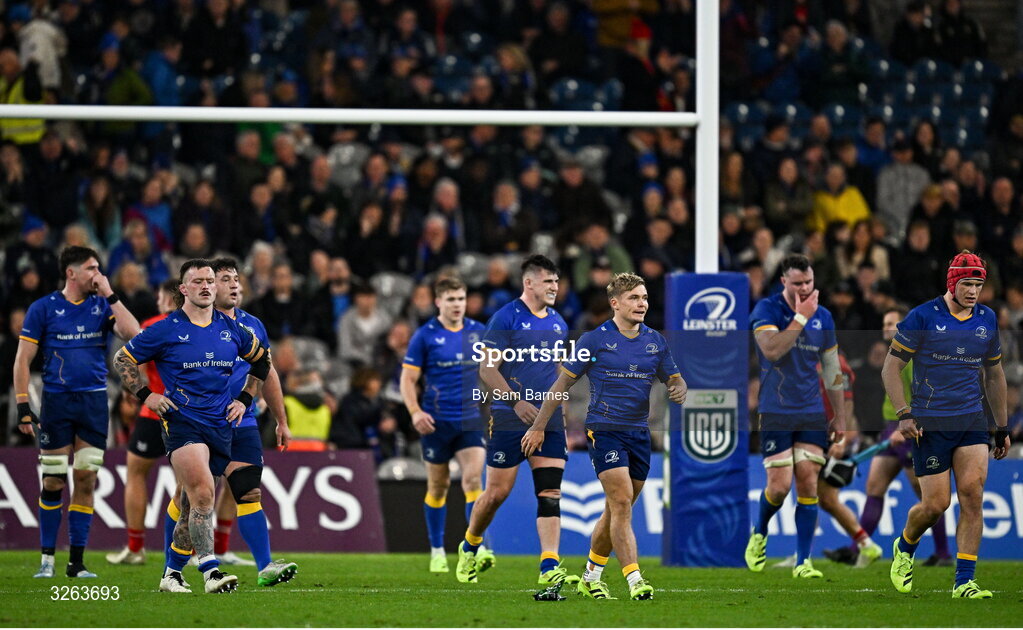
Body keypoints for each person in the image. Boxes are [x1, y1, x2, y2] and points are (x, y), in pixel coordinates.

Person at [522, 272, 687, 601]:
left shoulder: (655, 341)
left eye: (644, 298)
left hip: (639, 434)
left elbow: (675, 378)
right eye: (634, 298)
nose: (642, 303)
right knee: (622, 501)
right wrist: (539, 426)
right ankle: (635, 579)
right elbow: (560, 386)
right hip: (604, 431)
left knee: (616, 511)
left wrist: (677, 387)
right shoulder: (593, 341)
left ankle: (590, 575)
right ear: (615, 304)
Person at [112, 258, 273, 594]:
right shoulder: (166, 328)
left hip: (220, 424)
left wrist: (244, 399)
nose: (205, 286)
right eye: (197, 281)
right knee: (203, 493)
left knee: (189, 505)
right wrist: (147, 395)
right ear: (183, 289)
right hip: (183, 423)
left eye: (209, 281)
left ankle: (171, 574)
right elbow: (122, 358)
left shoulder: (234, 330)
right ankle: (211, 572)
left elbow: (262, 360)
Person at [885, 251, 1010, 598]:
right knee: (935, 505)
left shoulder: (986, 318)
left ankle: (964, 581)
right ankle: (905, 545)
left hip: (972, 419)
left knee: (973, 494)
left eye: (978, 285)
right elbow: (890, 368)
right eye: (967, 284)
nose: (973, 291)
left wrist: (1001, 427)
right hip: (930, 422)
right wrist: (903, 414)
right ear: (952, 283)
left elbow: (994, 373)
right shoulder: (922, 316)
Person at [15, 246, 142, 579]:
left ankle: (76, 563)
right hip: (57, 404)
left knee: (86, 479)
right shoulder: (43, 308)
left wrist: (111, 293)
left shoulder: (103, 305)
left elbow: (134, 334)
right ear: (71, 273)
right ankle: (46, 559)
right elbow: (22, 360)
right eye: (91, 269)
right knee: (54, 480)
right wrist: (23, 406)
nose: (97, 274)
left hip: (93, 404)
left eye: (99, 268)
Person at [455, 255, 573, 588]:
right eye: (547, 281)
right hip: (509, 419)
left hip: (547, 420)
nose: (554, 286)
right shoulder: (505, 318)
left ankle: (549, 566)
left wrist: (559, 411)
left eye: (556, 280)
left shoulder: (558, 323)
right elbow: (487, 369)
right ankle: (470, 544)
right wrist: (514, 401)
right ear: (529, 283)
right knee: (496, 493)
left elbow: (558, 373)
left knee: (549, 492)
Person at [824, 306, 953, 567]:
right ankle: (857, 549)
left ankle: (943, 553)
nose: (885, 328)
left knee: (927, 497)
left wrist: (905, 426)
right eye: (884, 323)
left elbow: (922, 395)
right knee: (874, 487)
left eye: (891, 323)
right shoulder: (894, 355)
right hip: (890, 427)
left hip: (907, 430)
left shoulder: (911, 357)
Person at [745, 254, 847, 579]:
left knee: (807, 480)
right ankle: (759, 530)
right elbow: (772, 350)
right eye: (798, 283)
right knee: (779, 486)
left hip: (812, 411)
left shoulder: (825, 317)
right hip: (775, 409)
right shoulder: (767, 309)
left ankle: (803, 562)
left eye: (809, 282)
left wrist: (840, 416)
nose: (805, 288)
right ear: (784, 283)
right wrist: (801, 317)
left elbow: (831, 368)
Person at [400, 277, 489, 573]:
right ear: (438, 302)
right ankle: (437, 550)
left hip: (469, 420)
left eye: (461, 299)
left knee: (474, 481)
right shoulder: (425, 336)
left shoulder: (479, 332)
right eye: (451, 299)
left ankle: (475, 548)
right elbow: (408, 379)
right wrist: (414, 412)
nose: (457, 305)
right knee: (438, 486)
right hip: (436, 423)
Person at [106, 279, 179, 565]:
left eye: (160, 296)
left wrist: (138, 392)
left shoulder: (153, 325)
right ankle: (195, 550)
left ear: (168, 299)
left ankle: (136, 548)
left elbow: (130, 360)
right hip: (188, 414)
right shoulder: (201, 326)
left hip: (154, 412)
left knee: (136, 474)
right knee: (189, 483)